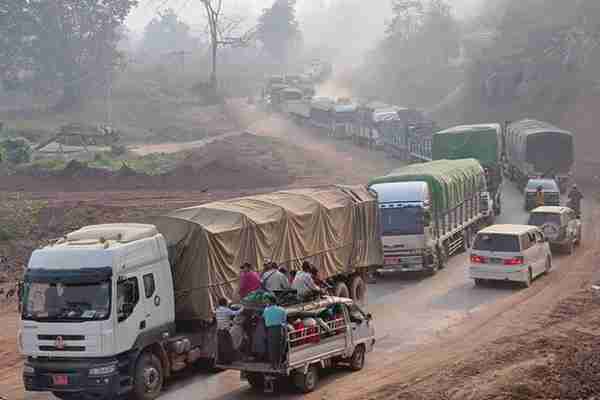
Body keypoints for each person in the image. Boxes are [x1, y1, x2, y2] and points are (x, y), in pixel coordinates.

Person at [263, 298, 287, 369]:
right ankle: (278, 364)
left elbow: (264, 318)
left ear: (270, 302)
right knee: (279, 347)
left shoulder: (266, 310)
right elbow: (284, 321)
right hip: (279, 329)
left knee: (271, 348)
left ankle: (272, 364)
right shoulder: (282, 310)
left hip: (270, 330)